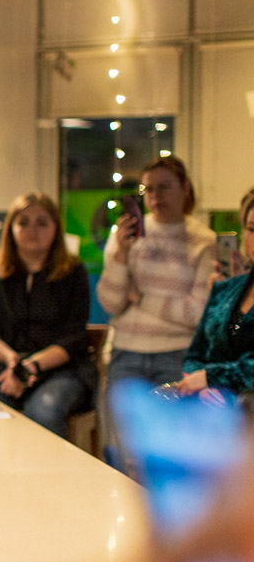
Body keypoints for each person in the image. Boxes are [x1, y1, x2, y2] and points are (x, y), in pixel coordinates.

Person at [0, 192, 95, 438]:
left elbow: (74, 338)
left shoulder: (72, 271)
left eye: (42, 222)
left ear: (55, 228)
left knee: (43, 412)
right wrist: (12, 362)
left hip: (59, 369)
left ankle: (44, 475)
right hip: (4, 365)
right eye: (24, 222)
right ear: (11, 228)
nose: (33, 229)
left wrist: (30, 367)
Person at [97, 155, 215, 389]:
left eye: (165, 187)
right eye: (148, 189)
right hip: (126, 352)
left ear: (185, 188)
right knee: (123, 426)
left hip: (177, 353)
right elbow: (110, 303)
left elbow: (196, 313)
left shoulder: (204, 241)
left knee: (174, 425)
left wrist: (140, 298)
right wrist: (120, 256)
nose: (155, 196)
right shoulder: (126, 235)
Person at [179, 188, 254, 397]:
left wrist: (210, 379)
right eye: (252, 228)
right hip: (215, 410)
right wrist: (205, 388)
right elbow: (194, 356)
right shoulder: (224, 289)